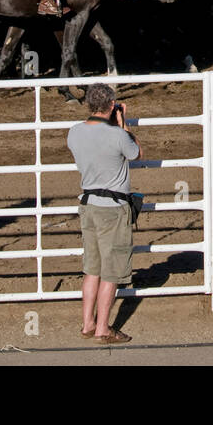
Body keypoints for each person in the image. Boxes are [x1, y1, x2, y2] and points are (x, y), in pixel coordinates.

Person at [67, 82, 140, 345]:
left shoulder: (73, 132)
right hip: (113, 208)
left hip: (88, 204)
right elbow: (136, 152)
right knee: (111, 271)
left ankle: (87, 323)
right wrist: (124, 123)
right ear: (111, 105)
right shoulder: (118, 135)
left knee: (92, 268)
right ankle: (102, 328)